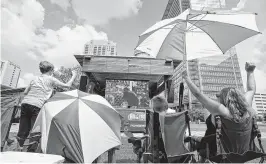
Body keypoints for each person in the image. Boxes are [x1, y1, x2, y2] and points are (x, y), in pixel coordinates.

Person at [182, 62, 257, 158]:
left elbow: (198, 94)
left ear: (225, 99)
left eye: (219, 96)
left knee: (190, 141)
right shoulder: (247, 110)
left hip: (220, 155)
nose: (218, 98)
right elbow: (251, 90)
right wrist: (250, 71)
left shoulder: (223, 112)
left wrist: (186, 78)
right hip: (243, 154)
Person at [16, 61, 77, 150]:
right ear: (51, 70)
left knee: (23, 129)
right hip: (37, 105)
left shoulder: (34, 78)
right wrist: (74, 76)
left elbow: (25, 92)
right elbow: (67, 86)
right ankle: (30, 153)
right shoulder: (51, 79)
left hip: (26, 103)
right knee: (35, 131)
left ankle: (18, 149)